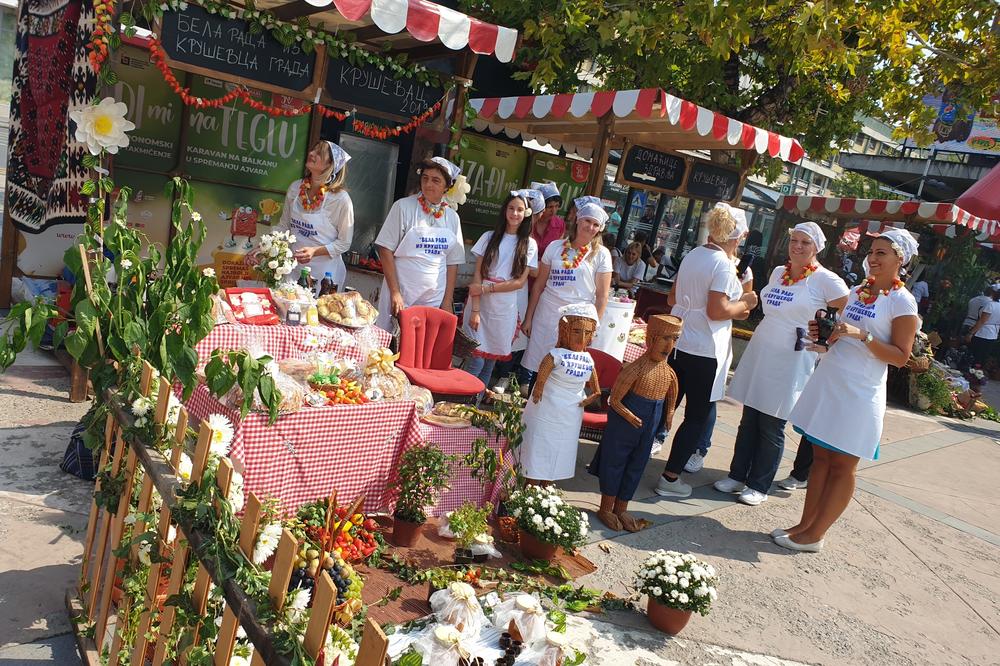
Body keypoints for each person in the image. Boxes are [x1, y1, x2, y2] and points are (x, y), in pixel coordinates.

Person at [778, 229, 920, 552]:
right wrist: (826, 332)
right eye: (872, 252)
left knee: (843, 465)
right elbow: (839, 332)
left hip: (861, 392)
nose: (873, 259)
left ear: (900, 259)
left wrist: (862, 336)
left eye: (882, 253)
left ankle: (816, 535)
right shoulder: (858, 290)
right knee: (821, 458)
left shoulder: (902, 302)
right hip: (832, 381)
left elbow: (900, 357)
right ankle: (804, 526)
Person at [715, 223, 849, 506]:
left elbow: (846, 315)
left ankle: (759, 484)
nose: (797, 247)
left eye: (805, 243)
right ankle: (737, 474)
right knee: (749, 417)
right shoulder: (779, 272)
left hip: (794, 356)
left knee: (772, 422)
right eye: (794, 241)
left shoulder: (827, 280)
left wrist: (827, 340)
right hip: (763, 348)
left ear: (817, 248)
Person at [653, 203, 758, 498]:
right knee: (696, 416)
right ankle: (670, 478)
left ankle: (640, 461)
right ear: (735, 235)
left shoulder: (694, 254)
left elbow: (673, 295)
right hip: (706, 350)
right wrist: (746, 304)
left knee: (666, 405)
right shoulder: (723, 264)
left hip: (680, 341)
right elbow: (717, 310)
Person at [588, 314, 682, 532]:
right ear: (651, 339)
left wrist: (668, 413)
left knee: (637, 464)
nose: (669, 345)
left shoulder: (669, 373)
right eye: (665, 338)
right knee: (615, 462)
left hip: (650, 424)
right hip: (624, 425)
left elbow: (672, 395)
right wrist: (628, 415)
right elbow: (615, 400)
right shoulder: (634, 369)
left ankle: (622, 508)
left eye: (674, 339)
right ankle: (606, 508)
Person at [520, 198, 613, 387]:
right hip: (546, 315)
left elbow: (602, 297)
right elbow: (538, 286)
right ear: (578, 220)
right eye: (587, 221)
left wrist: (592, 329)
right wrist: (529, 318)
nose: (590, 227)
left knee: (563, 373)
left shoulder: (602, 254)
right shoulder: (555, 247)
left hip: (577, 321)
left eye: (596, 224)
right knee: (540, 369)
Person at [374, 157, 465, 330]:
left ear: (447, 186)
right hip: (402, 293)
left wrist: (447, 301)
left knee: (420, 348)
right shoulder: (403, 207)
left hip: (433, 299)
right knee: (391, 344)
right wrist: (395, 292)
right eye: (425, 178)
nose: (428, 184)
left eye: (436, 180)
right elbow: (385, 249)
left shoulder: (453, 218)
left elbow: (452, 263)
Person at [462, 190, 541, 388]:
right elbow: (478, 272)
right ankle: (460, 405)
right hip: (481, 304)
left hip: (504, 307)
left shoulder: (529, 244)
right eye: (511, 208)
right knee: (475, 360)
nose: (515, 213)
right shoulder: (489, 237)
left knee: (489, 362)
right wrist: (476, 309)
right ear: (505, 210)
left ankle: (474, 410)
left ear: (526, 214)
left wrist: (485, 288)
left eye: (520, 210)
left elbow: (519, 282)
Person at [254, 141, 354, 289]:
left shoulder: (340, 199)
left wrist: (315, 251)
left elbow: (344, 243)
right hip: (292, 270)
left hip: (324, 277)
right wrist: (264, 247)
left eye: (319, 153)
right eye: (313, 150)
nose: (311, 154)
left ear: (330, 165)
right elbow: (284, 226)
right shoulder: (295, 188)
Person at [520, 304, 602, 483]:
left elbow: (596, 389)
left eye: (587, 333)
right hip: (546, 407)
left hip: (570, 412)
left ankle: (547, 487)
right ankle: (530, 484)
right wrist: (539, 388)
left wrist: (590, 399)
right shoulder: (555, 355)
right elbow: (542, 375)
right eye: (576, 331)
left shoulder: (588, 359)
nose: (581, 337)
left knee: (561, 448)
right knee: (539, 445)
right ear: (565, 331)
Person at [965, 287, 1000, 365]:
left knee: (973, 356)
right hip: (993, 334)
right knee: (982, 358)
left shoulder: (991, 305)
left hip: (982, 333)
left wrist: (971, 333)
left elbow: (982, 321)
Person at [530, 181, 566, 254]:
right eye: (550, 207)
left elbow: (557, 252)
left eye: (556, 206)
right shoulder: (529, 221)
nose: (554, 211)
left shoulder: (560, 224)